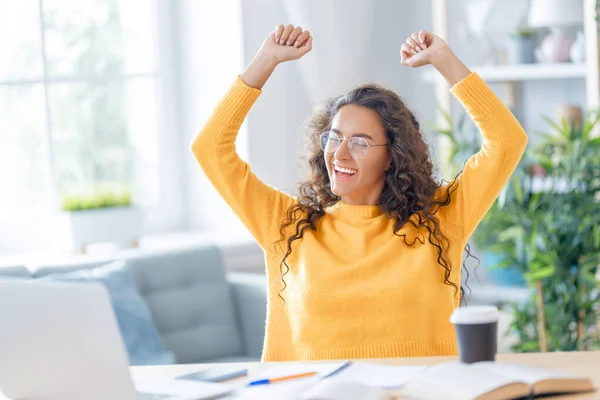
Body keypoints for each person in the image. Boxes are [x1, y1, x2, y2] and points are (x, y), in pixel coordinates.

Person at [191, 25, 527, 361]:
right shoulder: (287, 224)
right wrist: (264, 61)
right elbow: (210, 149)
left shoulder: (440, 219)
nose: (339, 155)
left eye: (360, 143)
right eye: (334, 138)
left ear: (392, 156)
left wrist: (443, 59)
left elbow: (507, 141)